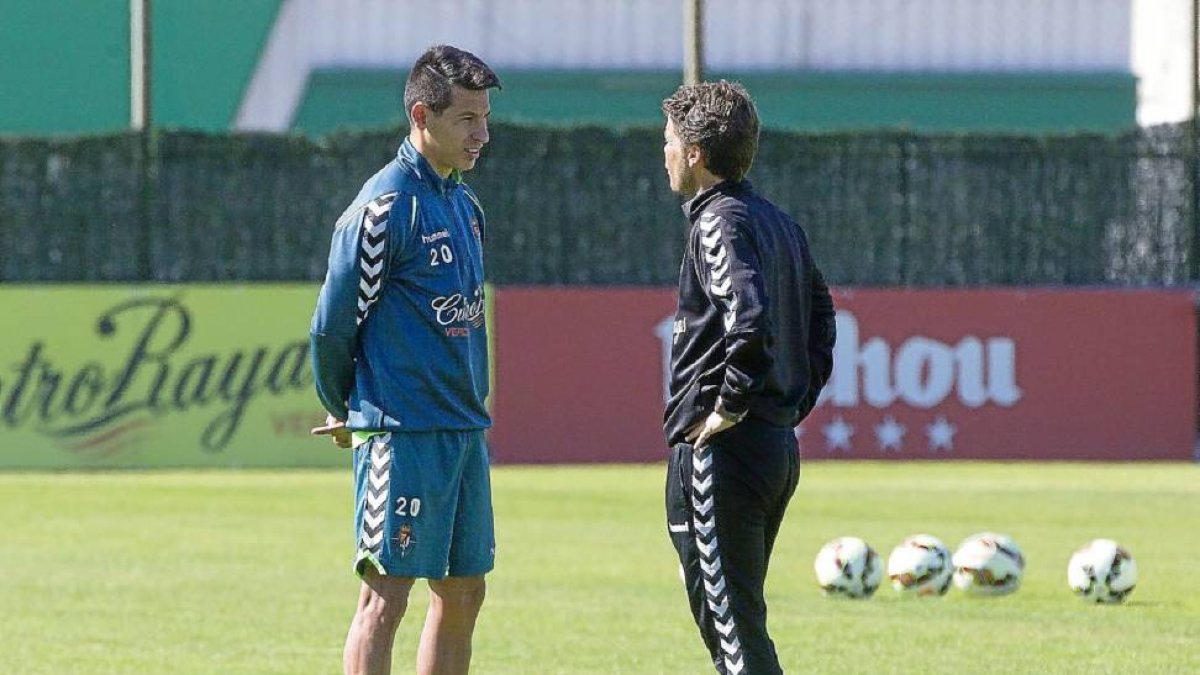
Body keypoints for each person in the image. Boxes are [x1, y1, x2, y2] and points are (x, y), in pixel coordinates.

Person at [309, 44, 500, 675]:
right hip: (403, 432)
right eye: (466, 119)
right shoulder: (382, 210)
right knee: (384, 597)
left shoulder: (463, 204)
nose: (482, 133)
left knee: (465, 591)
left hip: (463, 429)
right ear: (422, 116)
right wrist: (349, 408)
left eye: (484, 117)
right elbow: (332, 329)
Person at [661, 81, 837, 675]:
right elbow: (822, 317)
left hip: (724, 453)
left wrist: (730, 407)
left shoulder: (718, 223)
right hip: (772, 446)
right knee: (740, 628)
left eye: (668, 141)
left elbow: (750, 317)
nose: (663, 152)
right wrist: (791, 404)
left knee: (735, 640)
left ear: (695, 153)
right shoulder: (779, 222)